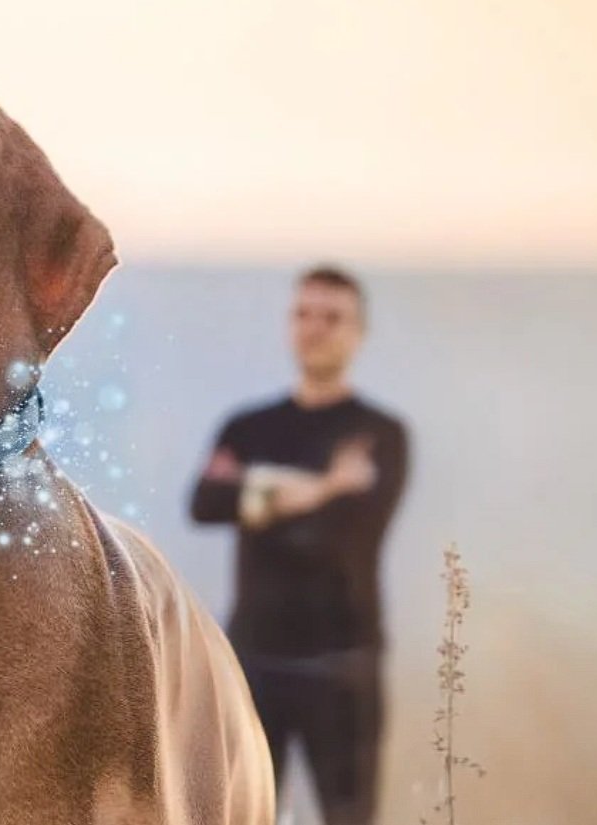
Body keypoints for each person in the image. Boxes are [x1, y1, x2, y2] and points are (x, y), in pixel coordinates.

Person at [190, 264, 410, 825]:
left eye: (331, 317)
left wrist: (256, 490)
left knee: (349, 817)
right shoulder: (246, 427)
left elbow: (339, 538)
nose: (314, 327)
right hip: (254, 662)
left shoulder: (380, 435)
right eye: (302, 313)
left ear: (358, 333)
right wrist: (328, 487)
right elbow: (204, 504)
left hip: (344, 667)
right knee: (242, 814)